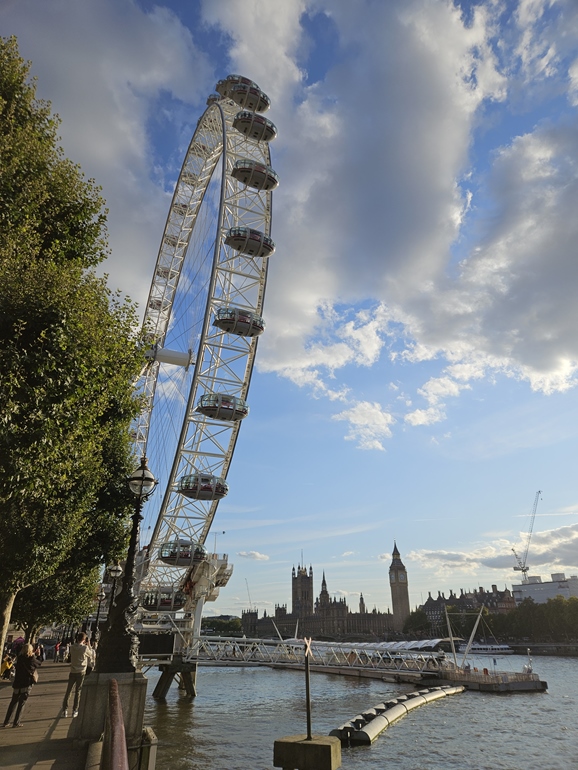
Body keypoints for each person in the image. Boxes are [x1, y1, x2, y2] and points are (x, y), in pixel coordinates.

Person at [2, 643, 40, 728]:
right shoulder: (31, 659)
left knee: (13, 702)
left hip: (17, 683)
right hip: (26, 683)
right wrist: (38, 655)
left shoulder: (20, 659)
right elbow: (39, 663)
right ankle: (16, 722)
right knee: (21, 703)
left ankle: (6, 721)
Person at [61, 632, 92, 718]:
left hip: (72, 671)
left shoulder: (72, 647)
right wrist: (89, 645)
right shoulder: (85, 648)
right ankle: (75, 710)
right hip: (81, 671)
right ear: (84, 640)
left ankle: (65, 710)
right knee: (78, 692)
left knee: (68, 691)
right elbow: (91, 655)